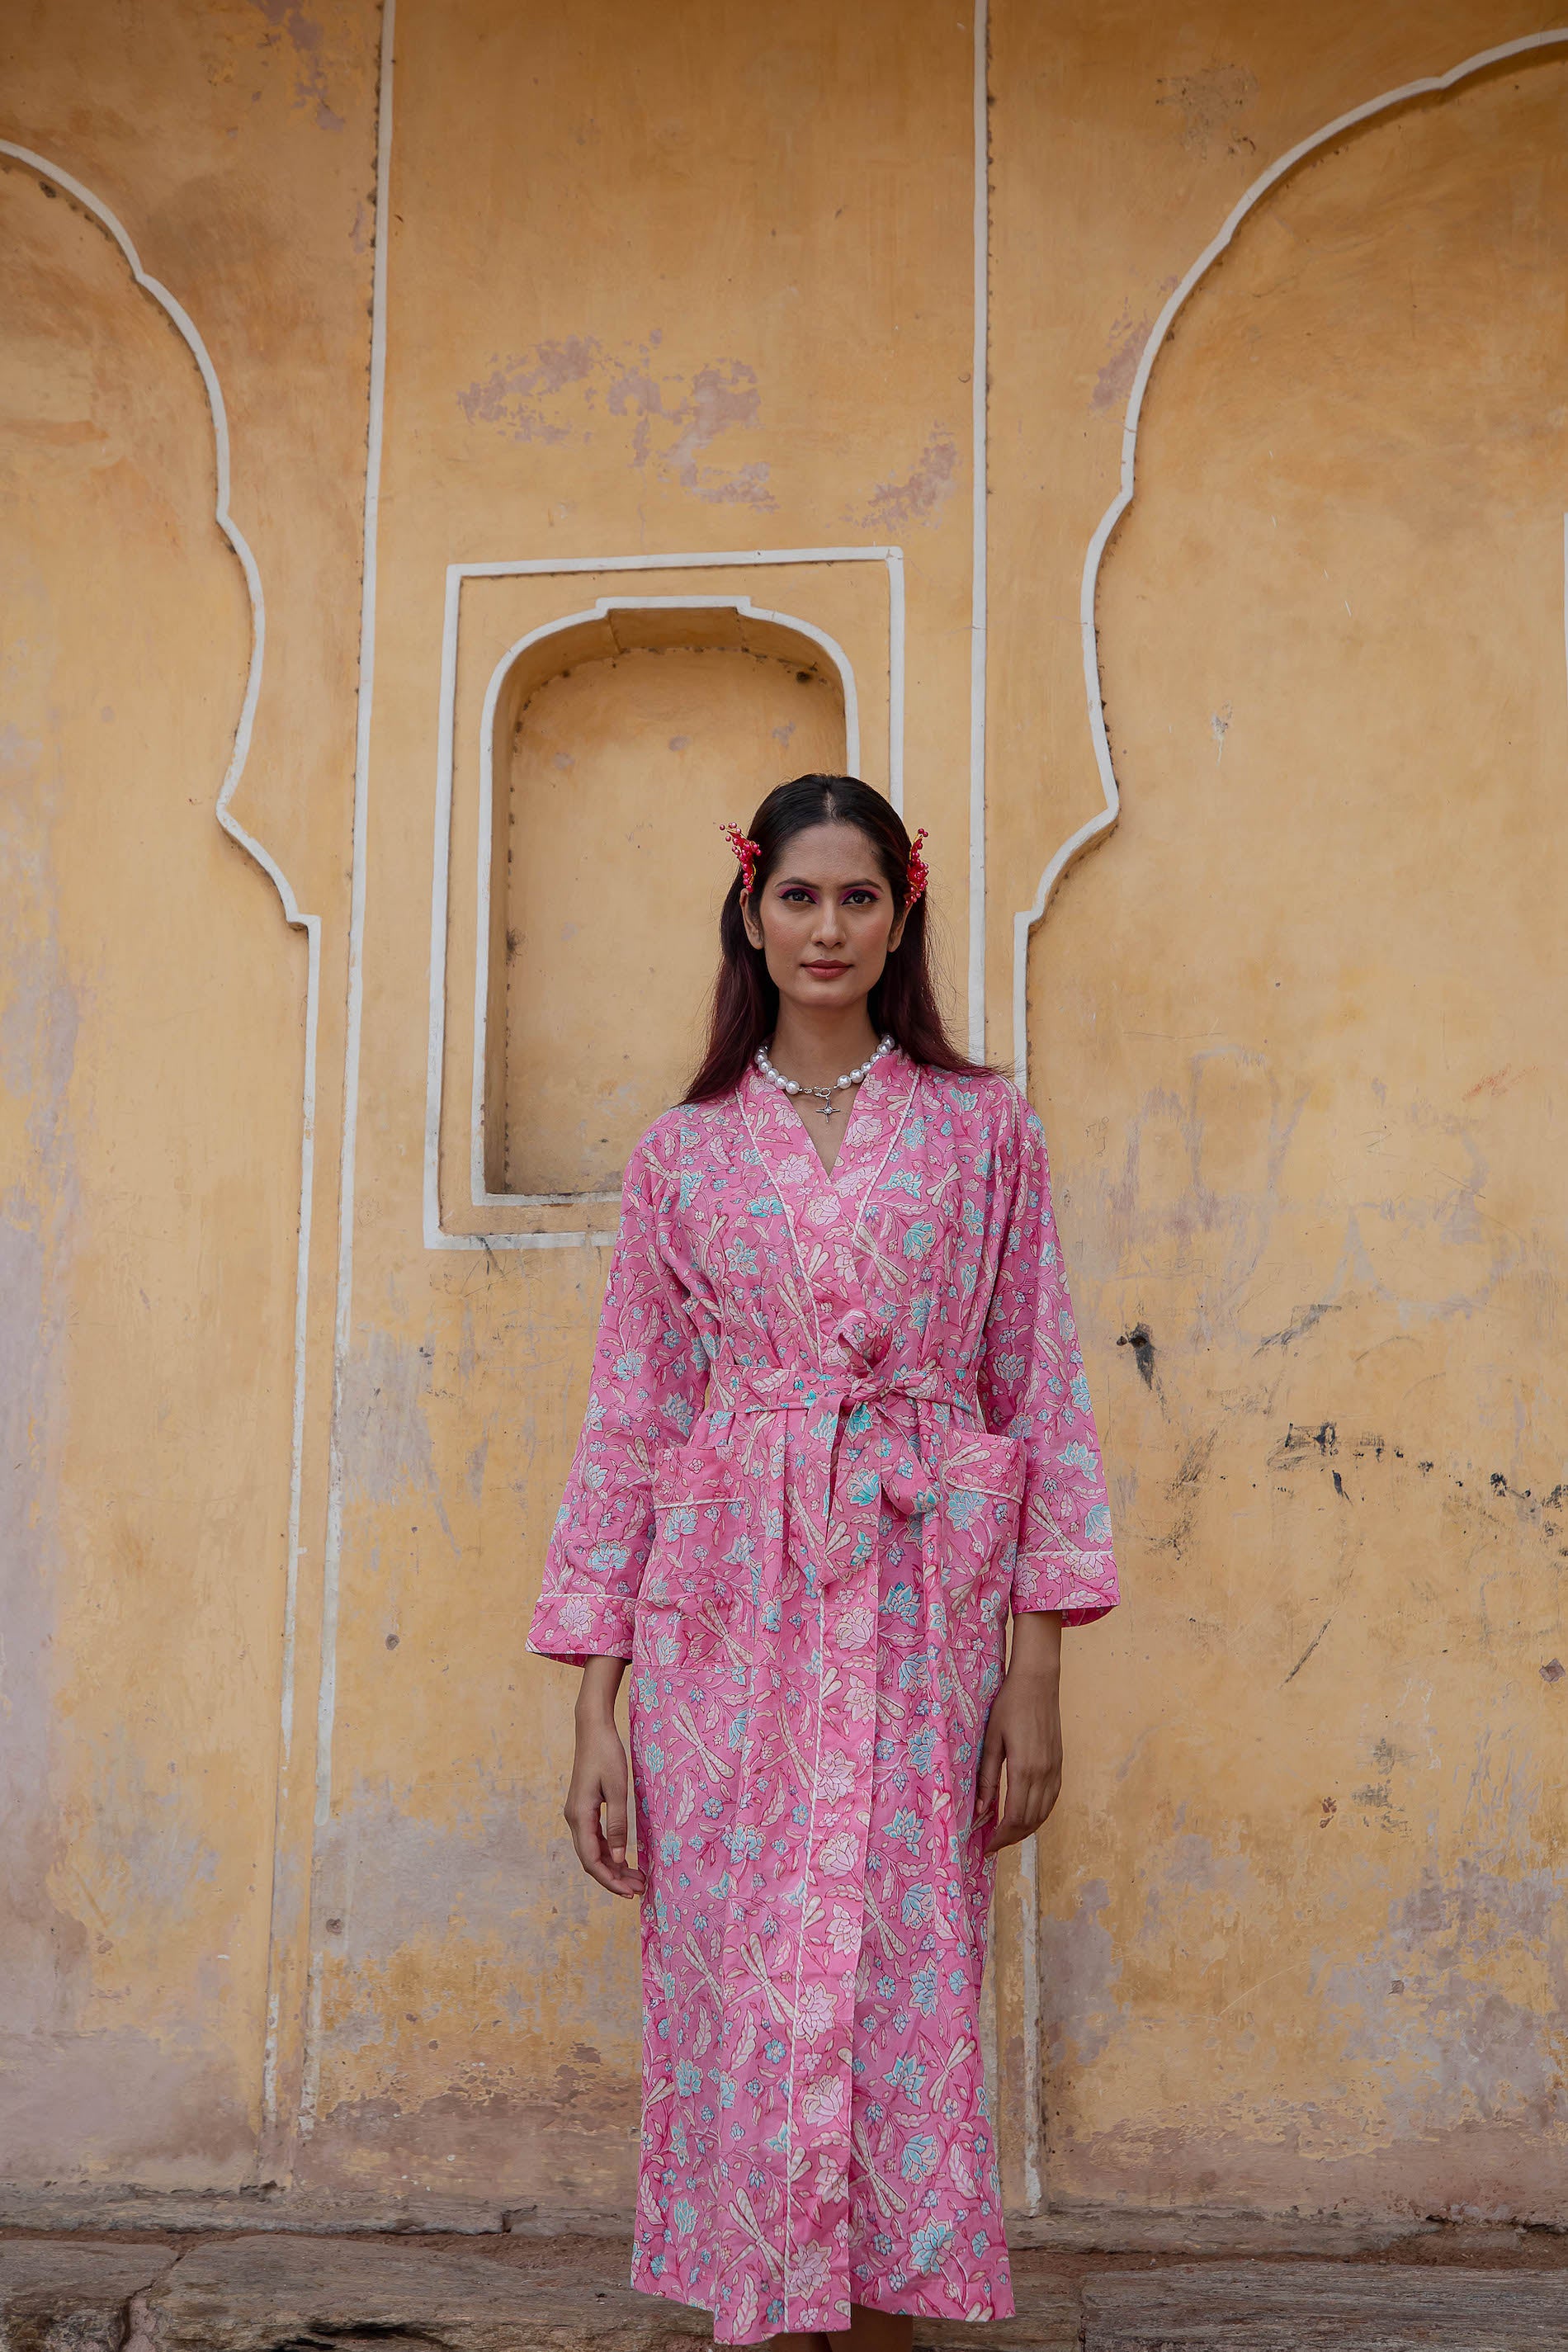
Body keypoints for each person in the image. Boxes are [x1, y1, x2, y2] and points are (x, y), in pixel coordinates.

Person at [527, 775, 1117, 2352]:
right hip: (723, 1619)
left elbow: (1036, 1382)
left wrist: (1036, 1671)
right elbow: (632, 1423)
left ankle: (887, 2319)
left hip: (924, 1613)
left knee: (900, 1981)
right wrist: (600, 1701)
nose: (828, 927)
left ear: (903, 911)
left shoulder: (986, 1131)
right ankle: (766, 2315)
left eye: (859, 897)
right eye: (800, 896)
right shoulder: (682, 1155)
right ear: (751, 908)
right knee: (744, 1981)